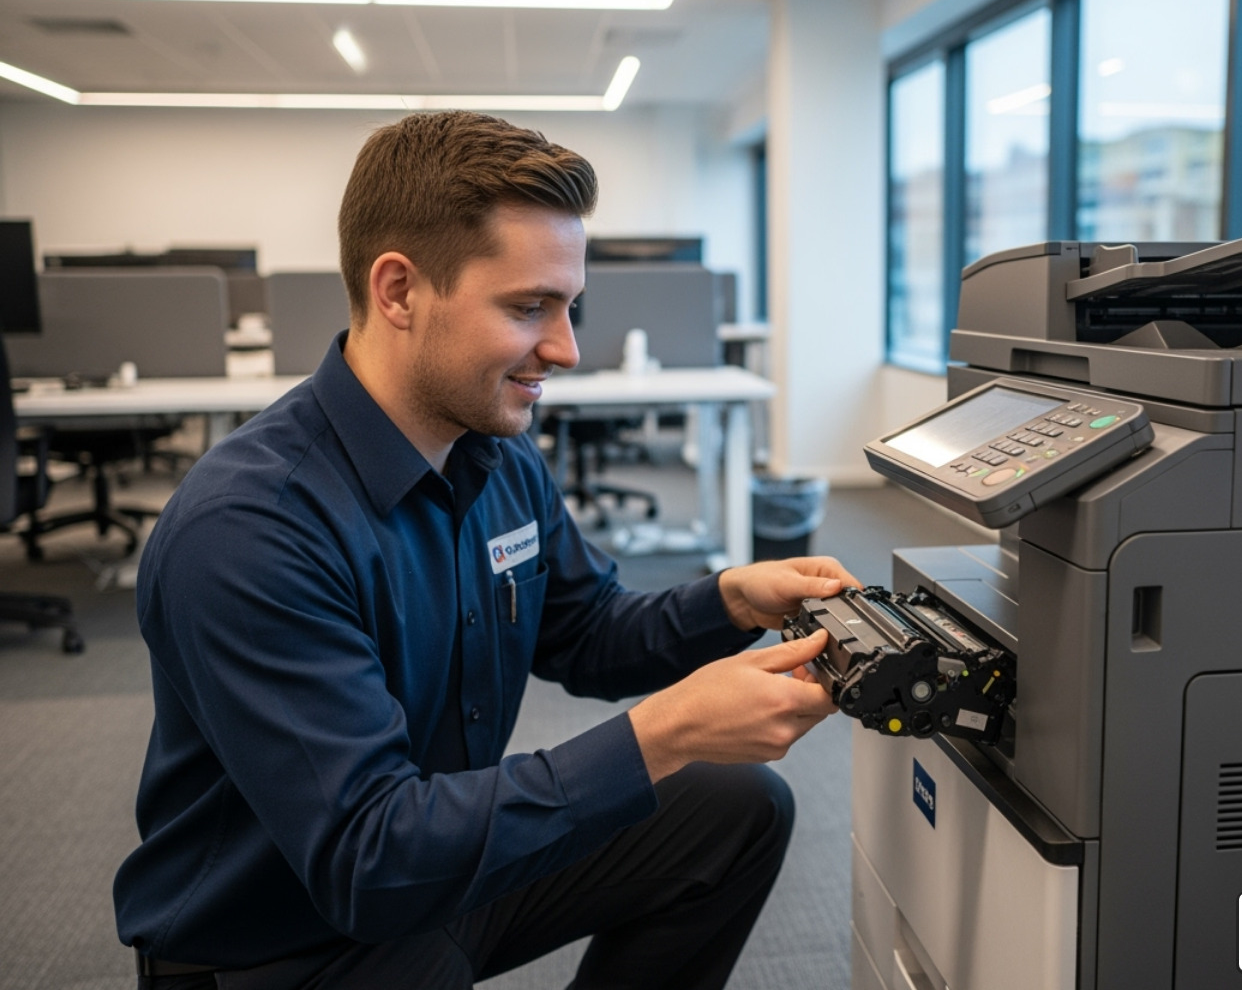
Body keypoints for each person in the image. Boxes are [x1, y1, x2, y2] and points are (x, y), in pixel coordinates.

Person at [114, 110, 858, 990]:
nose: (567, 349)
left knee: (734, 812)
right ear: (398, 292)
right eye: (528, 307)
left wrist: (731, 597)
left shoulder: (498, 455)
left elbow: (585, 631)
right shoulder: (249, 531)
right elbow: (368, 855)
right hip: (288, 940)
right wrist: (663, 732)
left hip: (438, 865)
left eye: (570, 307)